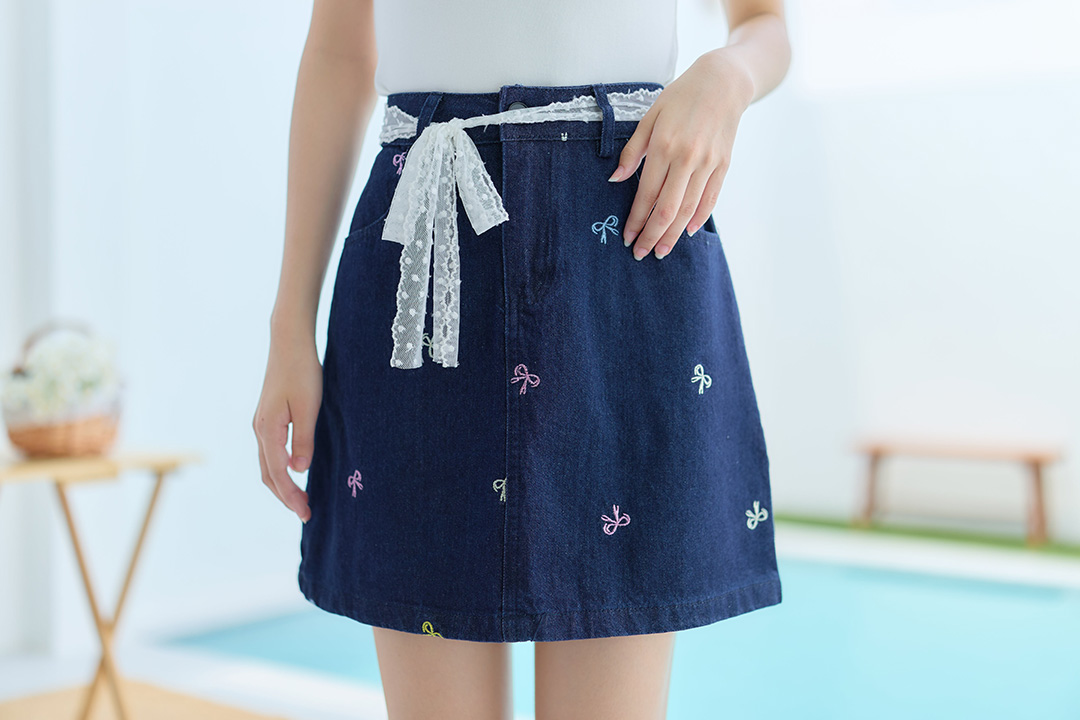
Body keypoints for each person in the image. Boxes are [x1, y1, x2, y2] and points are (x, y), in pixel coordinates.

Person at [253, 0, 791, 717]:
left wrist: (728, 76)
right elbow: (338, 53)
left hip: (623, 238)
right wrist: (288, 325)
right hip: (427, 245)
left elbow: (765, 23)